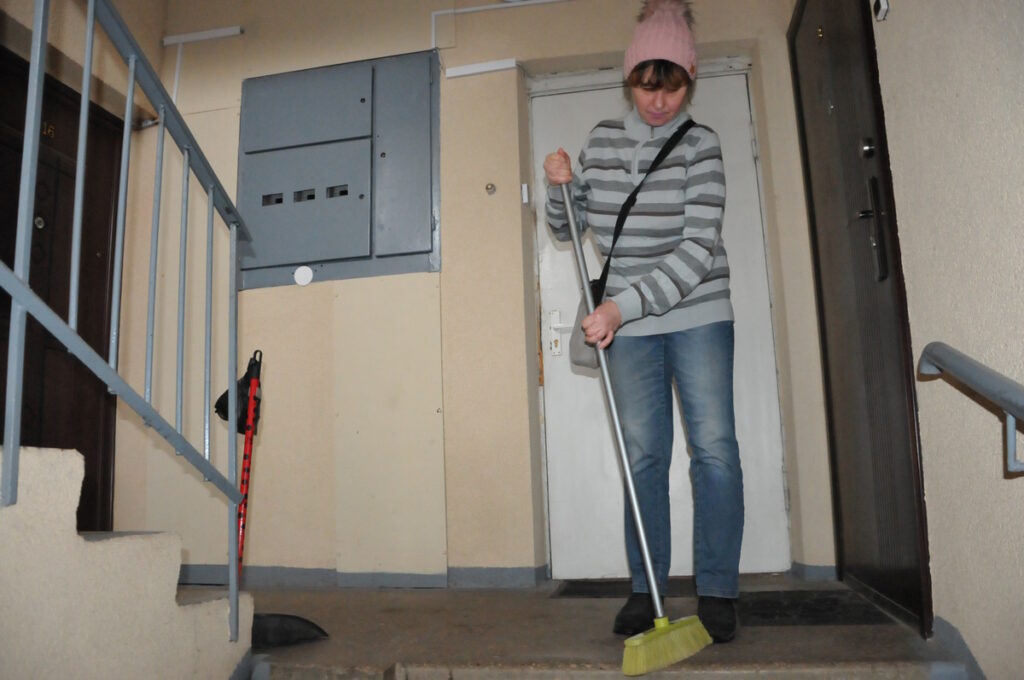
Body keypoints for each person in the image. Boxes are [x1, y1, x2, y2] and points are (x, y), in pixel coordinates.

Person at [543, 0, 743, 643]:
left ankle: (718, 591)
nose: (659, 101)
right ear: (630, 78)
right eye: (646, 85)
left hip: (697, 313)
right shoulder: (602, 140)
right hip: (627, 326)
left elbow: (698, 247)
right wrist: (558, 188)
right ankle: (646, 589)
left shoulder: (701, 146)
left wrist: (620, 307)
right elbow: (567, 227)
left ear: (691, 77)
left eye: (672, 85)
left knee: (714, 450)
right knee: (644, 457)